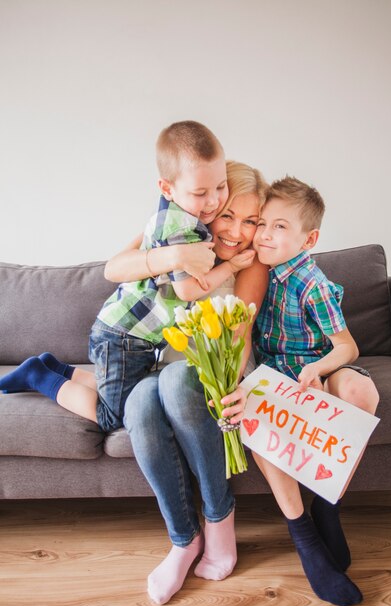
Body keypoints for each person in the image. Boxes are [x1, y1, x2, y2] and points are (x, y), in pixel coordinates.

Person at [0, 121, 253, 430]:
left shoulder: (188, 220)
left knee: (128, 395)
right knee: (114, 416)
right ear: (167, 188)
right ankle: (39, 377)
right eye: (201, 193)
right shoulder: (180, 229)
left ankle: (56, 369)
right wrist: (222, 265)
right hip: (126, 336)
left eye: (220, 188)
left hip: (137, 339)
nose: (213, 202)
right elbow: (125, 272)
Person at [104, 161, 269, 605]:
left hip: (221, 371)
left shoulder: (250, 263)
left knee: (177, 380)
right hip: (169, 366)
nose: (237, 231)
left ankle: (220, 521)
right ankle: (183, 539)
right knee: (139, 401)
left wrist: (233, 385)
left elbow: (242, 332)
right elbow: (113, 268)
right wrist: (173, 256)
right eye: (229, 214)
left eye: (251, 221)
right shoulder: (178, 232)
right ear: (210, 205)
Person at [249, 176, 380, 606]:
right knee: (259, 417)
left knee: (361, 394)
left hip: (317, 365)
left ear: (310, 239)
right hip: (274, 375)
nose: (265, 234)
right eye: (262, 223)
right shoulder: (255, 271)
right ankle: (305, 538)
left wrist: (316, 369)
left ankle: (328, 503)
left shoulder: (313, 283)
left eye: (280, 226)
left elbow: (347, 346)